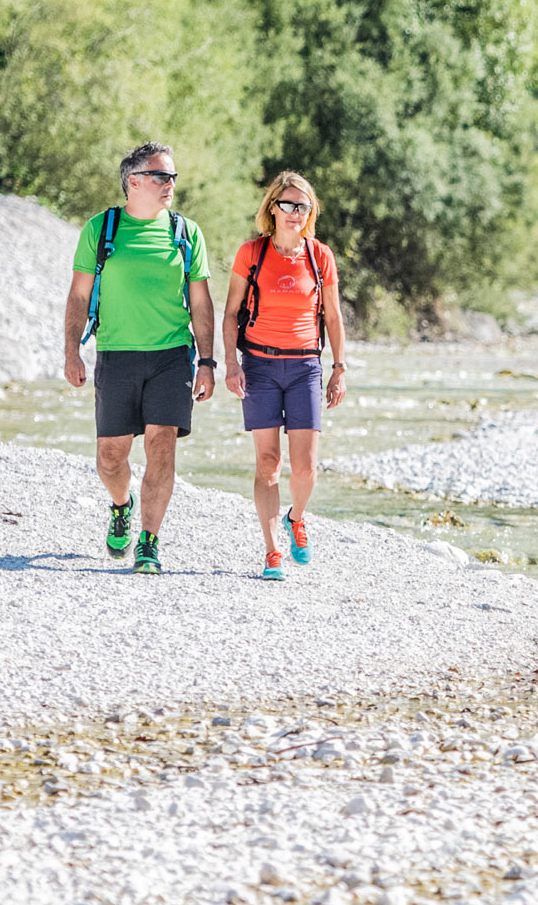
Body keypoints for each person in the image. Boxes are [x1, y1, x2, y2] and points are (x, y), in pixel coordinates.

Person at [62, 143, 217, 575]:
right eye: (161, 177)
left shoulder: (185, 232)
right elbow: (78, 294)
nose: (170, 185)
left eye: (172, 177)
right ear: (133, 181)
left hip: (172, 355)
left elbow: (201, 303)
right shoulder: (102, 229)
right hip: (116, 355)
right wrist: (71, 350)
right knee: (111, 456)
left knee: (161, 444)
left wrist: (208, 362)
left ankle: (149, 541)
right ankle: (120, 504)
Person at [221, 171, 348, 579]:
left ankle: (297, 517)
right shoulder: (251, 253)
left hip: (306, 367)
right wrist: (231, 363)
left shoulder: (320, 256)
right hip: (258, 363)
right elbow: (229, 314)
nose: (296, 213)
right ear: (272, 207)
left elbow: (333, 315)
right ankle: (272, 551)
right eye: (288, 204)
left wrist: (339, 369)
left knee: (306, 467)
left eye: (303, 206)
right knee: (268, 462)